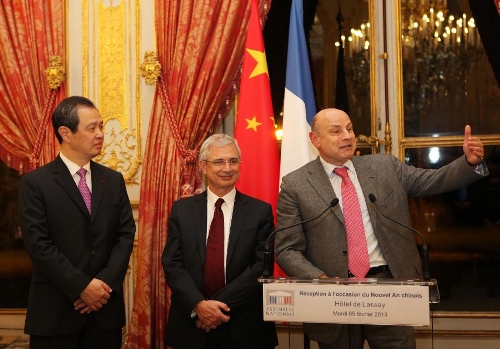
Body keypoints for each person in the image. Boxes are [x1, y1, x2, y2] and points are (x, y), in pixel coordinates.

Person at [274, 108, 488, 349]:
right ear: (315, 140)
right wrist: (321, 280)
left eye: (350, 128)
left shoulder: (385, 167)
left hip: (388, 287)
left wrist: (469, 163)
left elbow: (432, 180)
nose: (347, 136)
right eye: (336, 131)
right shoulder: (296, 184)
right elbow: (286, 248)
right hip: (334, 295)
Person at [18, 96, 136, 349]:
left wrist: (101, 288)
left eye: (101, 126)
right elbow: (39, 245)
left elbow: (125, 235)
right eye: (91, 128)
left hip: (104, 313)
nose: (100, 134)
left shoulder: (113, 180)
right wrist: (82, 286)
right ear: (65, 133)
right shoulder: (36, 183)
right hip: (56, 313)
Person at [162, 134, 278, 349]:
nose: (227, 168)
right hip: (191, 324)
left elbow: (261, 268)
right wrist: (199, 306)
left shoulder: (259, 211)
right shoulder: (182, 210)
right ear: (203, 167)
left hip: (244, 325)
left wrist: (214, 310)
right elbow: (172, 263)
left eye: (233, 161)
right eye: (219, 161)